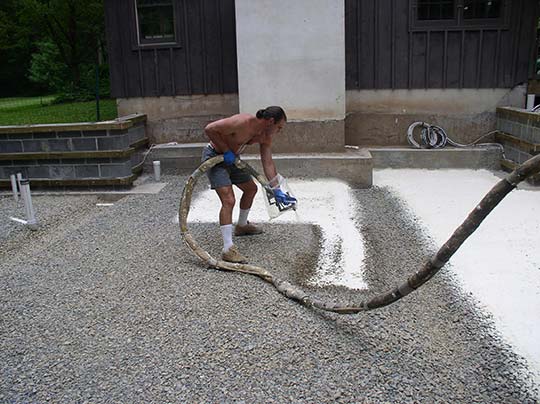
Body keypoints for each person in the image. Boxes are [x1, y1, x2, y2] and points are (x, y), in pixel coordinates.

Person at [202, 106, 297, 264]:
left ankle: (241, 226)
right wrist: (226, 150)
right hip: (215, 156)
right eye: (279, 127)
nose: (279, 131)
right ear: (271, 121)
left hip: (233, 158)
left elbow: (268, 163)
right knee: (228, 200)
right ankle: (227, 249)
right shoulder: (242, 122)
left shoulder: (265, 136)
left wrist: (276, 188)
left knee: (250, 189)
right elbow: (210, 129)